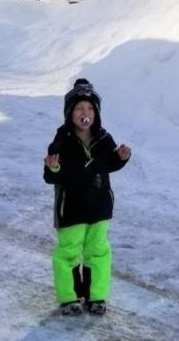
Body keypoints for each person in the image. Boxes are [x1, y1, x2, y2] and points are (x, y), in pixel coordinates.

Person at [43, 78, 132, 316]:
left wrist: (121, 157)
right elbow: (50, 176)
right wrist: (53, 168)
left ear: (96, 113)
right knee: (68, 252)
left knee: (98, 251)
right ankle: (70, 297)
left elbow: (110, 164)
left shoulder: (103, 138)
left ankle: (96, 296)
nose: (85, 113)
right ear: (70, 113)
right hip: (70, 209)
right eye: (80, 108)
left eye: (90, 108)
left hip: (99, 208)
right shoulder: (62, 140)